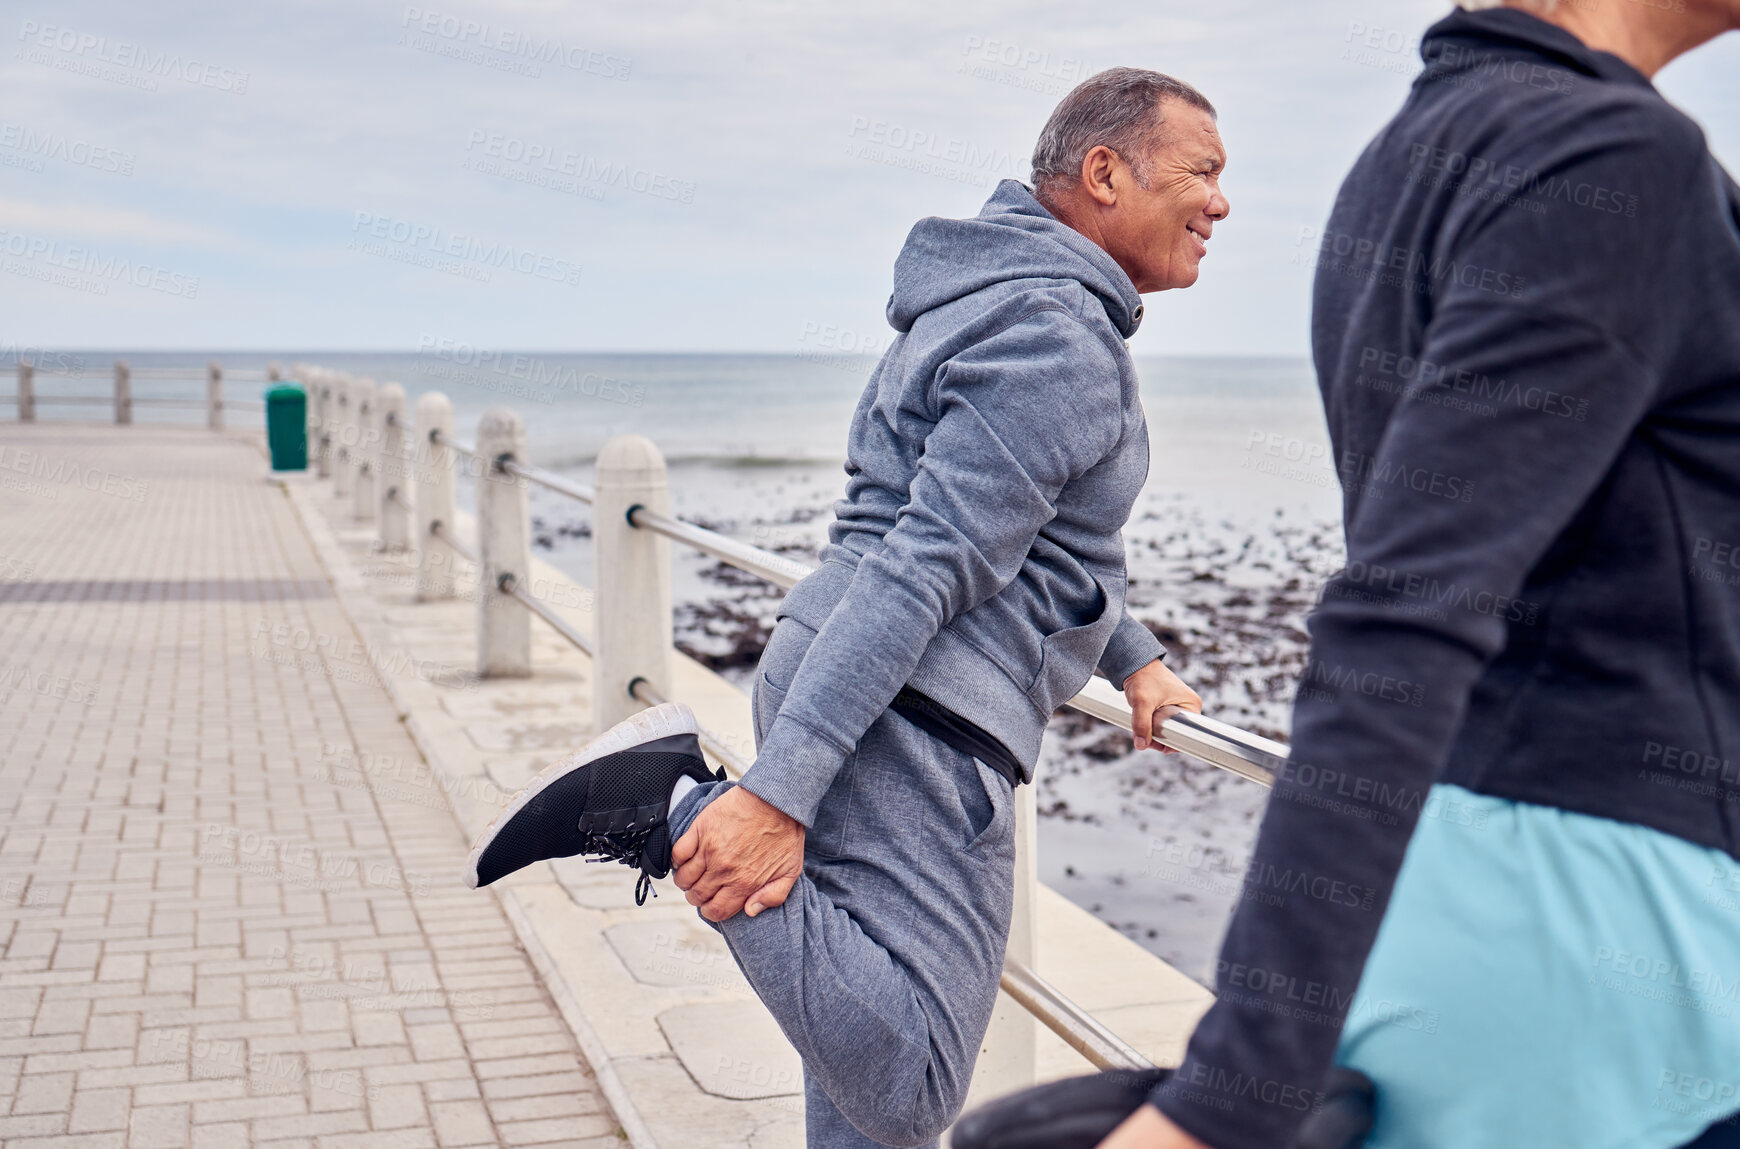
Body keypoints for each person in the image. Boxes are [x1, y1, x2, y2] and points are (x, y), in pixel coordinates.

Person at [466, 67, 1228, 1148]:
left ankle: (677, 802)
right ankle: (667, 807)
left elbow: (1035, 543)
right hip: (914, 718)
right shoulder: (1059, 337)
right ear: (1105, 174)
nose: (1222, 202)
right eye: (1203, 171)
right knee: (906, 1087)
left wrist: (1134, 653)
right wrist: (771, 798)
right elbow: (928, 562)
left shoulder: (991, 297)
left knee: (857, 1098)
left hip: (855, 668)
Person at [1092, 2, 1740, 1147]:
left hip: (1458, 888)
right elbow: (1409, 606)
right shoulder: (1617, 155)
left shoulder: (1409, 154)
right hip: (1616, 938)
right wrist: (1228, 1095)